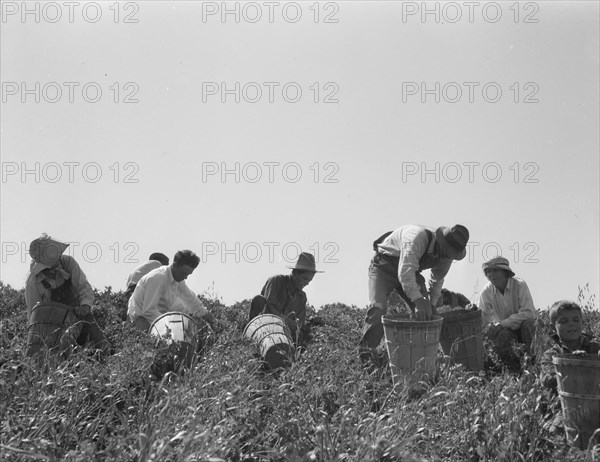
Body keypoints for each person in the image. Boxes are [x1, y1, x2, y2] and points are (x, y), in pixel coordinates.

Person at [360, 224, 469, 360]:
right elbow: (405, 272)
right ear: (442, 242)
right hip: (384, 266)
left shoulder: (447, 256)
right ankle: (366, 357)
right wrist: (418, 301)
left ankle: (417, 360)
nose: (447, 257)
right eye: (447, 251)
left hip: (411, 272)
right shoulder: (417, 237)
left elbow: (437, 280)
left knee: (427, 316)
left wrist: (432, 305)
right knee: (379, 309)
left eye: (451, 254)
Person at [25, 233, 110, 356]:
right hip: (53, 322)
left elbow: (84, 286)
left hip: (79, 313)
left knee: (101, 345)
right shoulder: (33, 282)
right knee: (58, 355)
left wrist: (85, 306)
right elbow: (33, 314)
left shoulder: (68, 263)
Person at [539, 300, 600, 433]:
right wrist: (573, 362)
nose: (571, 324)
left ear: (582, 323)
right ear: (552, 326)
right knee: (557, 431)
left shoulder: (595, 348)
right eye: (564, 321)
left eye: (575, 320)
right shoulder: (552, 354)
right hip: (564, 406)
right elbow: (548, 380)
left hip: (595, 403)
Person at [127, 249, 215, 332]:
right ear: (175, 265)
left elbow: (191, 300)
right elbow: (148, 311)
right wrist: (170, 327)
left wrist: (206, 315)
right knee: (169, 339)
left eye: (188, 274)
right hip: (141, 319)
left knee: (186, 315)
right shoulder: (158, 278)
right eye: (184, 273)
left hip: (158, 317)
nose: (185, 277)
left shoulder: (178, 280)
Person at [248, 252, 322, 338]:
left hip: (285, 334)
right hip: (264, 328)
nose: (307, 283)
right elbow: (270, 307)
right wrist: (285, 320)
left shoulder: (302, 297)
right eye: (305, 279)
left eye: (309, 281)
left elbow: (300, 322)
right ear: (295, 273)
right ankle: (251, 338)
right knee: (258, 299)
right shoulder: (276, 281)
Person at [478, 256, 537, 363]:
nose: (491, 275)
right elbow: (483, 318)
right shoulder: (486, 292)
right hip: (506, 332)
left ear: (505, 272)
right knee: (500, 334)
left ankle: (534, 361)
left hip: (523, 328)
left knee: (529, 325)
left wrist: (502, 324)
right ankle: (511, 366)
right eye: (488, 272)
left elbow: (529, 314)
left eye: (495, 271)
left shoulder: (519, 285)